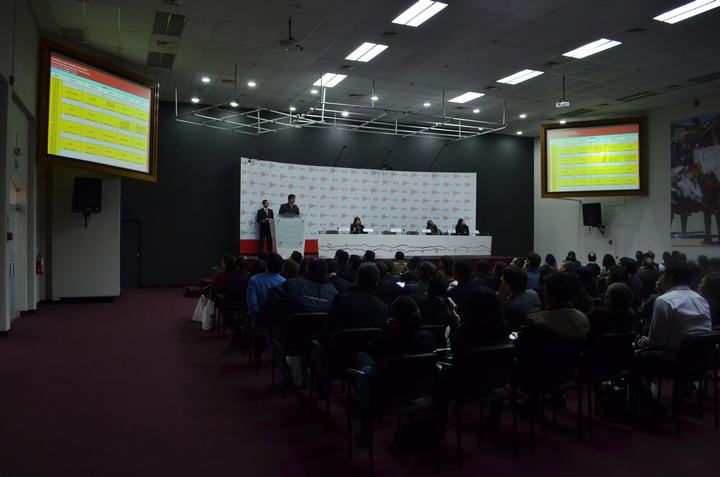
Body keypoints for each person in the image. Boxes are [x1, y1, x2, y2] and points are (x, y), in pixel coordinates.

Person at [633, 262, 712, 414]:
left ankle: (649, 405)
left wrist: (648, 340)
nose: (661, 279)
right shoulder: (701, 299)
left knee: (635, 359)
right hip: (702, 362)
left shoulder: (664, 301)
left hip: (675, 363)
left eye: (663, 275)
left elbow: (656, 343)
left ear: (670, 277)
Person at [320, 263, 389, 344]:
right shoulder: (383, 308)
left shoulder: (341, 299)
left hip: (337, 348)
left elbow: (327, 329)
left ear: (357, 278)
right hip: (365, 349)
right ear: (377, 282)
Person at [415, 275, 457, 346]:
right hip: (440, 346)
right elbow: (454, 329)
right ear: (445, 290)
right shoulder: (448, 311)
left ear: (428, 287)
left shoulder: (417, 303)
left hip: (418, 344)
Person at [498, 266, 542, 331]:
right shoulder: (534, 293)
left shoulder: (510, 306)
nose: (501, 279)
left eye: (502, 278)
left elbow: (501, 323)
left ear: (509, 284)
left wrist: (500, 297)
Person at [246, 253, 286, 322]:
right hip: (278, 321)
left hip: (260, 320)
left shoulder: (254, 280)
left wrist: (257, 320)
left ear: (266, 264)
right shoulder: (284, 281)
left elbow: (252, 304)